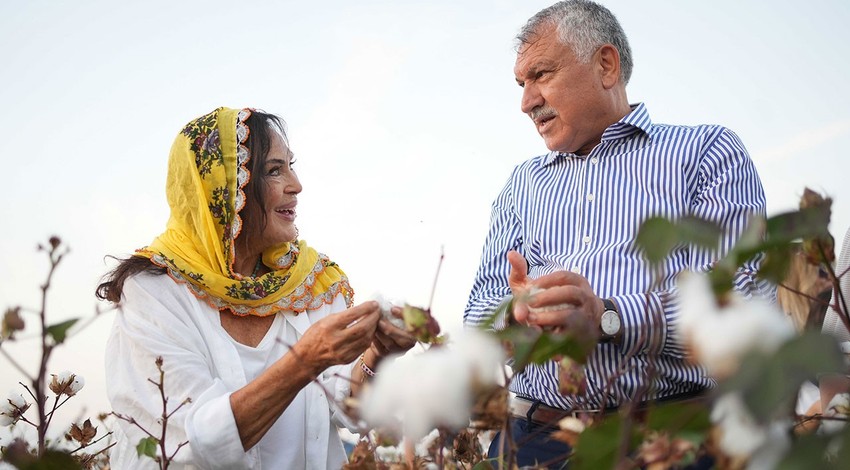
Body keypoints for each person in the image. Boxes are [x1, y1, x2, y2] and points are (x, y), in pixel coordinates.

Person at [462, 1, 774, 466]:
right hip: (532, 440)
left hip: (669, 442)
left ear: (606, 65)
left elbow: (736, 303)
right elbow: (477, 315)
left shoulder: (705, 152)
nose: (526, 101)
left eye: (541, 75)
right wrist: (516, 318)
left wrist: (607, 316)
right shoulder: (521, 182)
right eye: (521, 84)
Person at [97, 107, 415, 469]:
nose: (296, 185)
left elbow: (347, 407)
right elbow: (189, 443)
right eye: (274, 170)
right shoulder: (154, 294)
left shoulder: (311, 284)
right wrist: (304, 361)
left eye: (291, 166)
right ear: (225, 190)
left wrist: (377, 354)